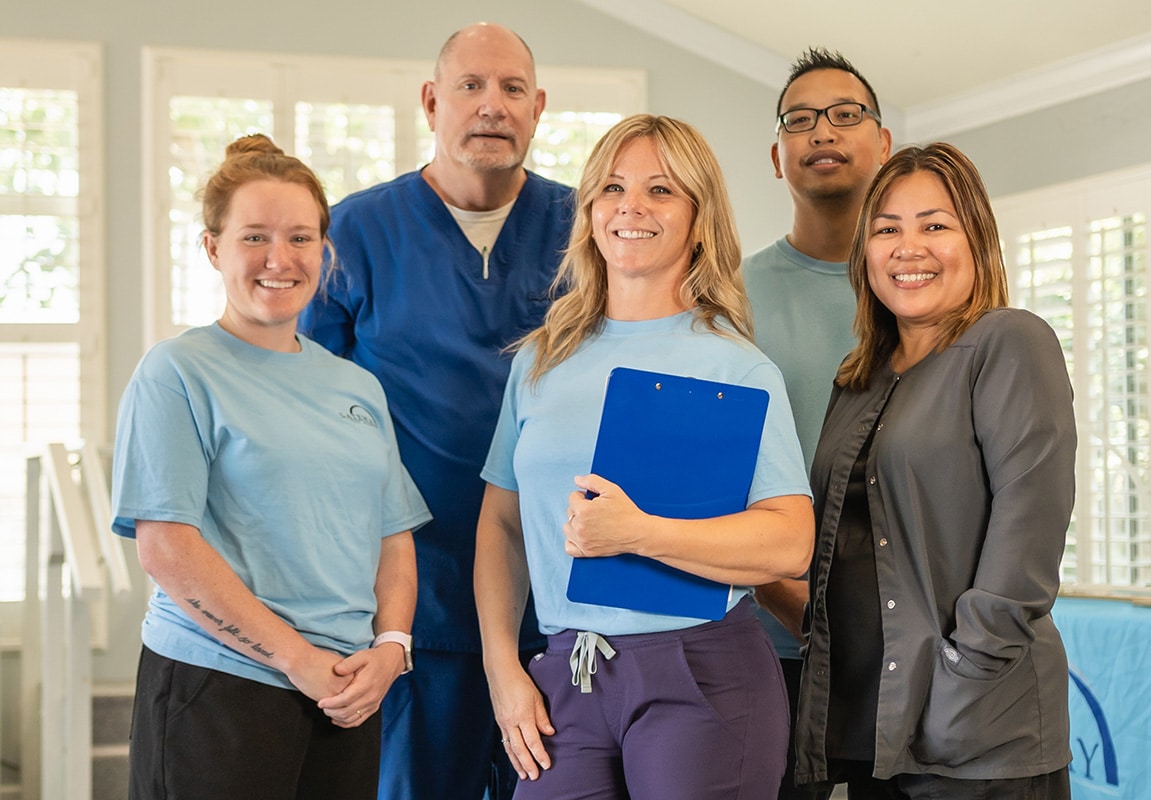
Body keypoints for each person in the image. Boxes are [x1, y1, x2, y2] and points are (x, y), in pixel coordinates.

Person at [474, 114, 815, 800]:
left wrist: (638, 534)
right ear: (590, 211)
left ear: (698, 219)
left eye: (661, 190)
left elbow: (790, 541)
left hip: (702, 671)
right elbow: (502, 525)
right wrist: (504, 672)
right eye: (612, 187)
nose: (631, 206)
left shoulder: (738, 369)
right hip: (568, 671)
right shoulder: (542, 359)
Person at [298, 22, 573, 800]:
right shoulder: (354, 231)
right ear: (431, 101)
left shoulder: (587, 228)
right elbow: (308, 407)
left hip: (555, 598)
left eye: (512, 89)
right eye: (471, 86)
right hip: (413, 600)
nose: (492, 106)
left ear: (538, 107)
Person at [110, 134, 430, 800]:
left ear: (325, 250)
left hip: (346, 694)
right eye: (254, 237)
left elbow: (392, 536)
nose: (278, 260)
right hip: (221, 688)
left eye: (300, 238)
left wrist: (392, 648)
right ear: (212, 248)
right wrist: (298, 660)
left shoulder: (356, 387)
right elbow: (166, 547)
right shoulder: (177, 372)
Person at [794, 142, 1075, 799]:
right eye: (887, 228)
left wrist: (963, 676)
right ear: (865, 253)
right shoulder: (855, 380)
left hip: (978, 738)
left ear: (976, 239)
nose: (907, 246)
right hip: (869, 731)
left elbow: (1027, 536)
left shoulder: (1010, 342)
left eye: (935, 225)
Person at [741, 48, 892, 800]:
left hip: (904, 647)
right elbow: (713, 478)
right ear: (777, 155)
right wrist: (786, 598)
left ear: (883, 144)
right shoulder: (728, 298)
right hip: (770, 645)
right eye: (800, 120)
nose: (822, 132)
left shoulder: (920, 290)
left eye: (845, 114)